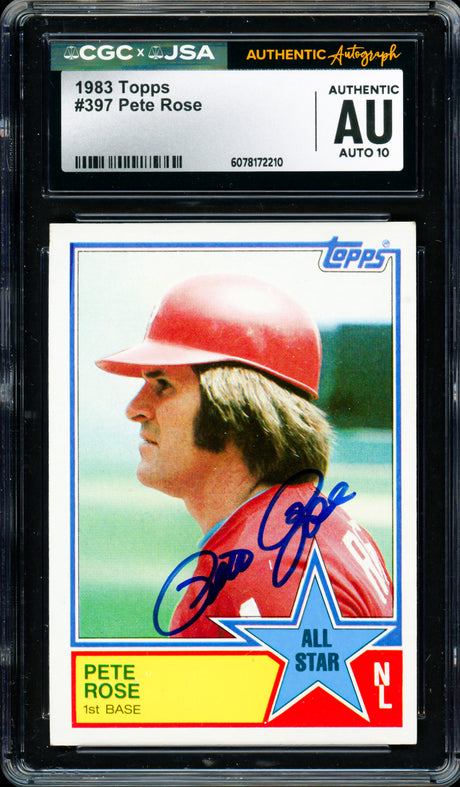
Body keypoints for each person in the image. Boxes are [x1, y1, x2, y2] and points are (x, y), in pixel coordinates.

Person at [96, 273, 393, 638]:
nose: (135, 408)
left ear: (237, 409)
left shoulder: (266, 569)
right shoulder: (307, 527)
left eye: (163, 385)